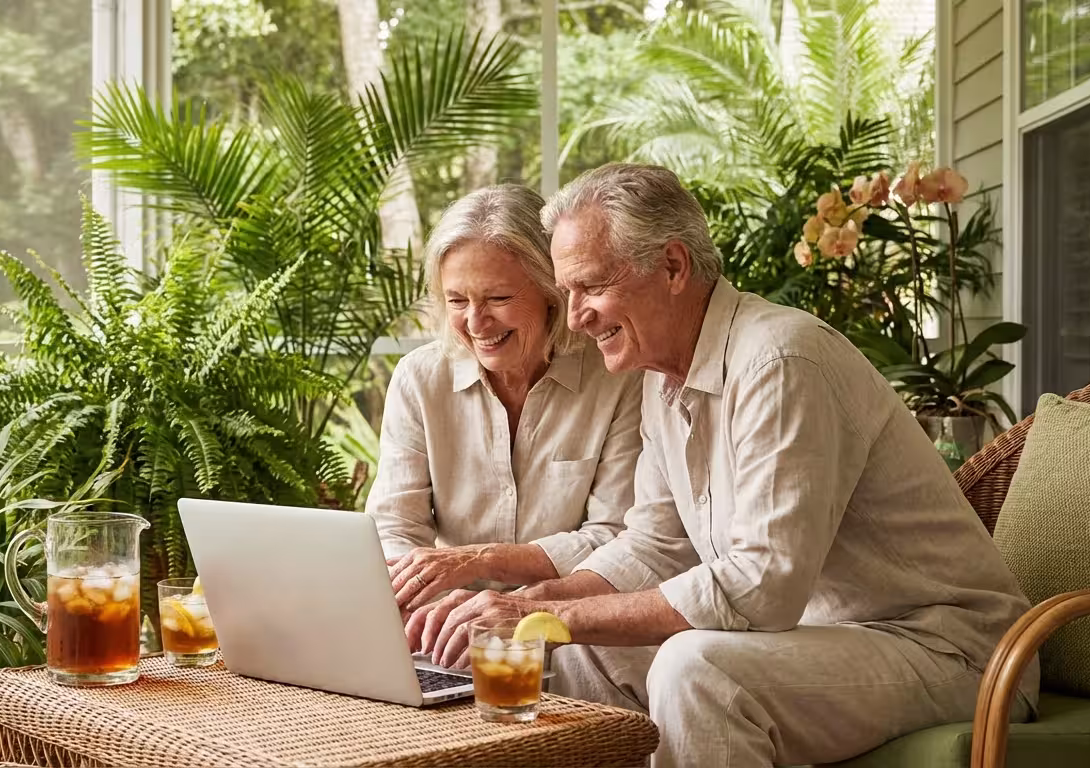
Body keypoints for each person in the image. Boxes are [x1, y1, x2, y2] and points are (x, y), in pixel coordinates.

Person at [407, 164, 1037, 767]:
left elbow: (763, 584)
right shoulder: (662, 376)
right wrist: (533, 603)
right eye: (567, 292)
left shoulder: (780, 361)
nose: (574, 318)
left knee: (698, 670)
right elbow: (654, 545)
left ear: (673, 266)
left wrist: (548, 617)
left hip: (950, 649)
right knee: (579, 656)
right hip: (823, 635)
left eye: (592, 286)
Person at [367, 183, 644, 612]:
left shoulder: (616, 378)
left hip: (570, 622)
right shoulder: (419, 379)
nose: (476, 322)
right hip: (442, 621)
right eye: (457, 300)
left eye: (498, 298)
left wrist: (486, 570)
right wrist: (443, 609)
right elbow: (394, 528)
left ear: (552, 293)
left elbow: (617, 536)